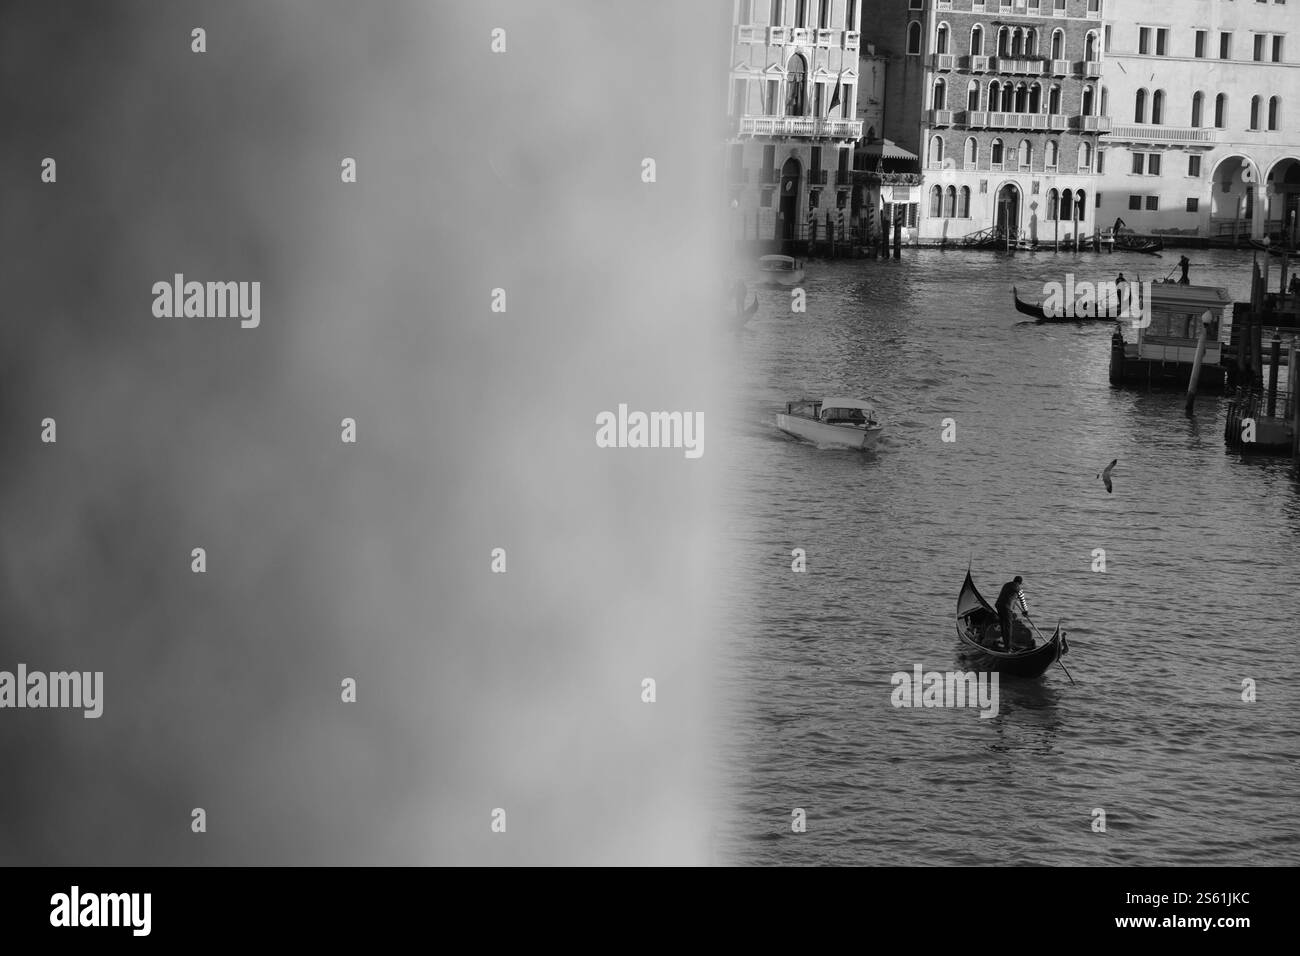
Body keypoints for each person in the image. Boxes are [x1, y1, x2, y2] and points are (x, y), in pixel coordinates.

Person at [994, 576, 1030, 650]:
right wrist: (1025, 611)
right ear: (1020, 583)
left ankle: (1006, 644)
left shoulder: (1006, 585)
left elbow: (1005, 595)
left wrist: (1015, 598)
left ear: (1013, 580)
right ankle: (1008, 647)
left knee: (1003, 625)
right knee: (1008, 627)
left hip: (999, 605)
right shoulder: (1019, 589)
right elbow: (1023, 602)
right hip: (1007, 608)